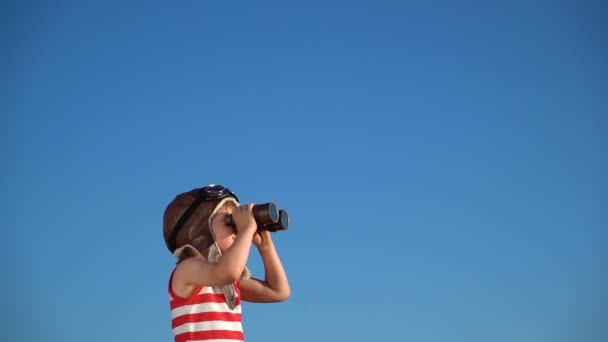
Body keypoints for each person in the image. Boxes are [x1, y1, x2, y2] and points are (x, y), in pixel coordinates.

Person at [162, 184, 290, 342]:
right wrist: (247, 229)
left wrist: (266, 247)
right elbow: (229, 272)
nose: (237, 228)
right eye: (230, 221)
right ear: (199, 228)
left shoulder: (226, 282)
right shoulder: (187, 269)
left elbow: (278, 291)